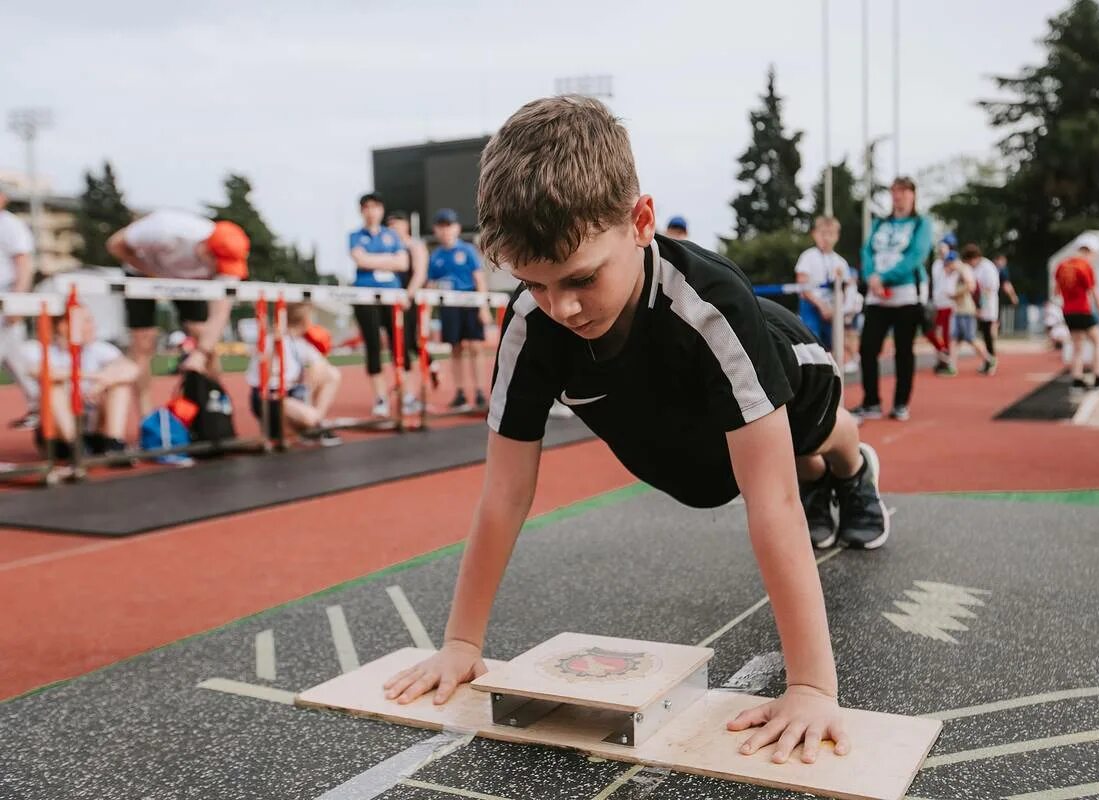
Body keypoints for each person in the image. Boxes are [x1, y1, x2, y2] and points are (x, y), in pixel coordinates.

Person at [383, 96, 891, 765]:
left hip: (787, 373)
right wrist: (461, 646)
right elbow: (504, 493)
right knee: (732, 474)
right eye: (533, 284)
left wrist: (812, 687)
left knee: (810, 447)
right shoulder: (533, 330)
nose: (560, 306)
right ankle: (816, 471)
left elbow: (769, 505)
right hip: (683, 438)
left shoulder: (711, 309)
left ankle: (851, 472)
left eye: (580, 278)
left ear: (641, 221)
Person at [106, 209, 249, 416]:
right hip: (142, 272)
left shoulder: (228, 262)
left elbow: (220, 313)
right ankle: (146, 416)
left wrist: (200, 353)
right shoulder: (165, 229)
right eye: (219, 264)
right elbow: (115, 244)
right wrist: (153, 272)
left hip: (187, 280)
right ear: (205, 251)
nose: (222, 270)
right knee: (143, 342)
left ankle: (217, 409)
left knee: (204, 339)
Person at [852, 176, 932, 422]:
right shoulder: (880, 223)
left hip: (906, 295)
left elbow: (916, 255)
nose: (898, 197)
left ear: (913, 195)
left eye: (904, 192)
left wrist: (885, 277)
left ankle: (900, 403)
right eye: (895, 192)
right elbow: (866, 251)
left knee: (903, 351)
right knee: (867, 349)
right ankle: (871, 401)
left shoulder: (921, 223)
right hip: (878, 297)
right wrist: (870, 277)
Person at [24, 305, 137, 460]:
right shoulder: (41, 349)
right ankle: (76, 446)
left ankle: (114, 444)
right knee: (52, 387)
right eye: (87, 321)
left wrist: (102, 383)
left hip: (93, 428)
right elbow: (39, 371)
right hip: (59, 437)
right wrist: (91, 376)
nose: (93, 326)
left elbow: (132, 369)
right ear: (64, 326)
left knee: (120, 384)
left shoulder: (98, 348)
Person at [348, 193, 410, 417]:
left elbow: (403, 263)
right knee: (373, 346)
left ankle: (406, 394)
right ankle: (381, 397)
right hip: (365, 296)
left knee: (399, 346)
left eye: (375, 206)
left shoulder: (392, 236)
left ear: (381, 210)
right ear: (361, 211)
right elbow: (359, 260)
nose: (371, 211)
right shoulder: (355, 235)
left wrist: (374, 260)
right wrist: (388, 260)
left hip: (391, 297)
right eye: (366, 207)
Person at [246, 302, 342, 445]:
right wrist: (274, 345)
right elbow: (262, 376)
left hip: (290, 394)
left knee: (332, 373)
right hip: (270, 398)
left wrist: (308, 384)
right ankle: (311, 423)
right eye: (311, 317)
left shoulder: (300, 342)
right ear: (304, 319)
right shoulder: (272, 340)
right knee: (310, 417)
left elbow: (322, 366)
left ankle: (314, 423)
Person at [428, 208, 491, 411]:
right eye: (442, 227)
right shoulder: (436, 257)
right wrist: (426, 314)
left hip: (470, 302)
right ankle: (460, 392)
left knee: (475, 347)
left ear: (456, 228)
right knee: (455, 349)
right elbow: (430, 284)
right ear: (436, 230)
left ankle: (480, 391)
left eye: (449, 226)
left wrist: (483, 306)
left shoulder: (467, 251)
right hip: (449, 305)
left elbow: (479, 278)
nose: (446, 231)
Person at [1053, 234, 1099, 393]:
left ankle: (1077, 379)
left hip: (1067, 311)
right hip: (1082, 309)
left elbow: (1056, 291)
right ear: (1090, 251)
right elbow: (1094, 293)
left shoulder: (1061, 265)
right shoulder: (1084, 266)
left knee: (1077, 346)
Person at [385, 211, 432, 413]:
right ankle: (406, 392)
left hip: (408, 301)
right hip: (391, 301)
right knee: (396, 348)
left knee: (409, 345)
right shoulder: (388, 248)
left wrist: (408, 295)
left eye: (397, 224)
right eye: (390, 225)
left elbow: (420, 273)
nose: (394, 228)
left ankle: (413, 392)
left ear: (406, 226)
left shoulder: (415, 246)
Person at [0, 183, 38, 429]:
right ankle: (40, 406)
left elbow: (24, 262)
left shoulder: (9, 224)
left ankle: (42, 407)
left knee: (18, 359)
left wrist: (18, 301)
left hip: (5, 301)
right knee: (17, 360)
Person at [793, 216, 848, 352]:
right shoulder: (807, 257)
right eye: (823, 233)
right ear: (814, 234)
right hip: (811, 306)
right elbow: (803, 286)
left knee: (833, 344)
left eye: (831, 234)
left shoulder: (841, 262)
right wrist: (821, 306)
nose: (826, 238)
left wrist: (835, 310)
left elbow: (845, 290)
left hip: (832, 309)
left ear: (837, 236)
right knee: (811, 343)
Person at [962, 244, 999, 375]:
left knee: (988, 336)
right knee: (983, 335)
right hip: (978, 306)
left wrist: (980, 307)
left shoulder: (987, 267)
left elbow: (987, 290)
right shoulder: (975, 268)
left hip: (987, 306)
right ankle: (987, 361)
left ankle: (991, 362)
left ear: (975, 257)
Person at [930, 251, 964, 375]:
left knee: (947, 336)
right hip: (939, 306)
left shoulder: (956, 273)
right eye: (947, 261)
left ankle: (949, 363)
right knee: (935, 334)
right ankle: (942, 359)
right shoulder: (940, 270)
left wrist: (956, 265)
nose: (948, 264)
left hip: (949, 307)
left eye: (950, 262)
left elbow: (965, 272)